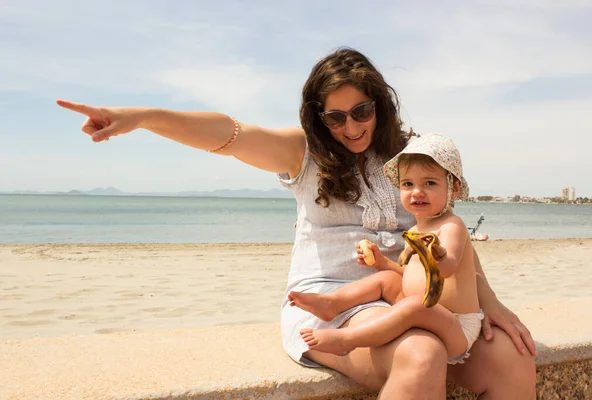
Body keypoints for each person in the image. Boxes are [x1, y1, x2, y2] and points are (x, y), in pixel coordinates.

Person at [57, 47, 536, 399]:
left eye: (361, 112)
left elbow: (444, 231)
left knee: (514, 355)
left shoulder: (409, 157)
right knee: (422, 353)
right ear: (317, 117)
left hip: (416, 302)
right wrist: (142, 116)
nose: (349, 127)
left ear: (380, 105)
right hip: (336, 307)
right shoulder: (304, 152)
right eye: (335, 117)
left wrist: (489, 301)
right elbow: (230, 133)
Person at [288, 133, 483, 366]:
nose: (417, 191)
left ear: (454, 187)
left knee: (415, 305)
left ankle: (347, 339)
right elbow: (412, 275)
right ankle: (333, 303)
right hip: (428, 311)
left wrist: (437, 252)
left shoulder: (452, 226)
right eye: (408, 184)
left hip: (457, 326)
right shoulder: (417, 227)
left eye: (430, 183)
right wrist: (382, 263)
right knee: (385, 279)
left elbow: (448, 267)